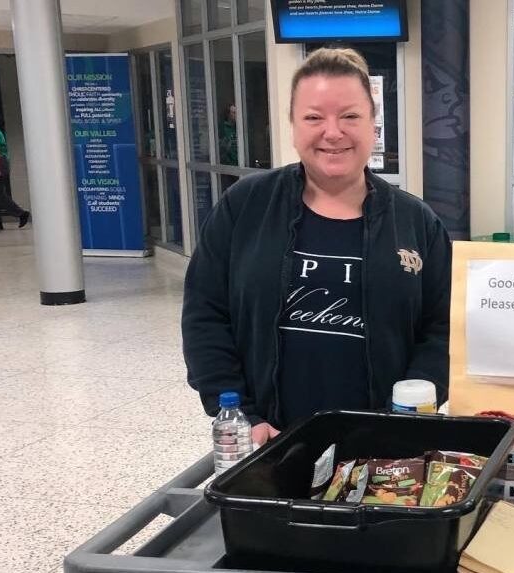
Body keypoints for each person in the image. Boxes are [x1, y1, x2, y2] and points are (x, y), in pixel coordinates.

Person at [182, 48, 452, 446]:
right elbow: (205, 314)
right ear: (292, 126)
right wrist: (243, 416)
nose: (333, 132)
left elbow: (443, 331)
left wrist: (405, 417)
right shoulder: (245, 206)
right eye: (313, 117)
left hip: (384, 448)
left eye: (350, 116)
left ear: (374, 126)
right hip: (267, 440)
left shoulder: (417, 223)